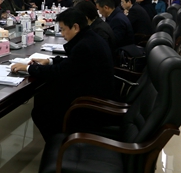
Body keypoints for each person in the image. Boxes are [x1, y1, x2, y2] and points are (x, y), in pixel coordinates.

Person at [10, 9, 114, 141]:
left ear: (75, 27)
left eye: (63, 29)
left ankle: (61, 143)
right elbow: (72, 63)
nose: (62, 33)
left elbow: (60, 71)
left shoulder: (84, 46)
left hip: (89, 103)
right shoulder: (90, 37)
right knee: (44, 96)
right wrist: (49, 61)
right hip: (93, 91)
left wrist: (28, 68)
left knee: (41, 112)